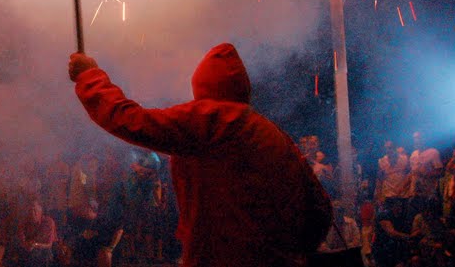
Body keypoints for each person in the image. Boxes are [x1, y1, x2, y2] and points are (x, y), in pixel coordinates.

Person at [69, 43, 332, 267]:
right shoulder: (273, 134)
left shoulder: (204, 121)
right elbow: (320, 209)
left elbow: (130, 120)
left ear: (202, 84)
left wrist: (89, 76)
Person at [17, 199, 57, 267]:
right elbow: (21, 239)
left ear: (41, 210)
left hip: (45, 250)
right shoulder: (24, 222)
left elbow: (49, 244)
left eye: (35, 210)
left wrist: (35, 245)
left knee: (42, 253)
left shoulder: (48, 222)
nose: (32, 213)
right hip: (28, 249)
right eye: (30, 210)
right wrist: (26, 244)